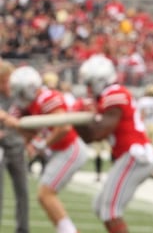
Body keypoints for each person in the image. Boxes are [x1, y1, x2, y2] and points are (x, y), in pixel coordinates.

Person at [0, 66, 89, 233]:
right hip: (58, 151)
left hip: (70, 149)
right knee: (44, 195)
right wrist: (19, 128)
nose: (16, 96)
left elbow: (64, 127)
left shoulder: (46, 98)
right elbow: (24, 129)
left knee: (45, 193)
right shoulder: (29, 103)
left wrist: (43, 143)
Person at [73, 54, 153, 233]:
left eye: (89, 83)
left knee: (110, 211)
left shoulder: (114, 93)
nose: (87, 89)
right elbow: (90, 137)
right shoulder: (109, 95)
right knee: (99, 206)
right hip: (129, 155)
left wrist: (79, 117)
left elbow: (98, 133)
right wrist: (78, 120)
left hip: (135, 154)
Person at [0, 60, 29, 233]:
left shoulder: (19, 95)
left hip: (17, 147)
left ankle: (23, 229)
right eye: (3, 81)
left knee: (23, 192)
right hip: (0, 149)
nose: (7, 85)